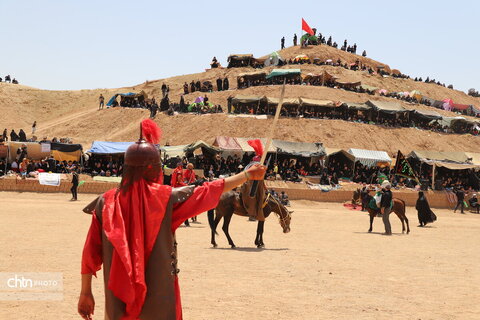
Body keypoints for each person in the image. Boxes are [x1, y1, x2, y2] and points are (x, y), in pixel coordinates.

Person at [78, 119, 266, 320]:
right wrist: (246, 175)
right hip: (161, 296)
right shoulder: (166, 199)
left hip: (117, 302)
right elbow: (207, 190)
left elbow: (90, 253)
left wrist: (85, 292)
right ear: (155, 168)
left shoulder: (105, 202)